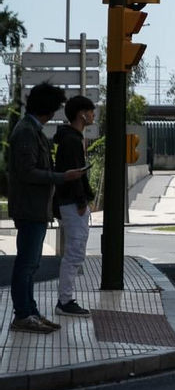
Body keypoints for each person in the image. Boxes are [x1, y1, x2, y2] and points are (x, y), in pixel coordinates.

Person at [5, 83, 84, 333]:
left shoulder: (32, 130)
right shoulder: (27, 132)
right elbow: (27, 171)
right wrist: (63, 177)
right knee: (26, 264)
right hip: (30, 207)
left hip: (36, 207)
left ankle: (30, 311)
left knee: (31, 264)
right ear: (48, 110)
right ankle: (23, 315)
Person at [51, 95, 96, 318]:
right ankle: (65, 301)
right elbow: (74, 174)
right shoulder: (72, 141)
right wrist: (81, 201)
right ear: (82, 114)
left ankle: (66, 299)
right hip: (72, 204)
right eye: (91, 111)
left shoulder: (71, 138)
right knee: (74, 254)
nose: (93, 115)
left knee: (74, 253)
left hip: (70, 203)